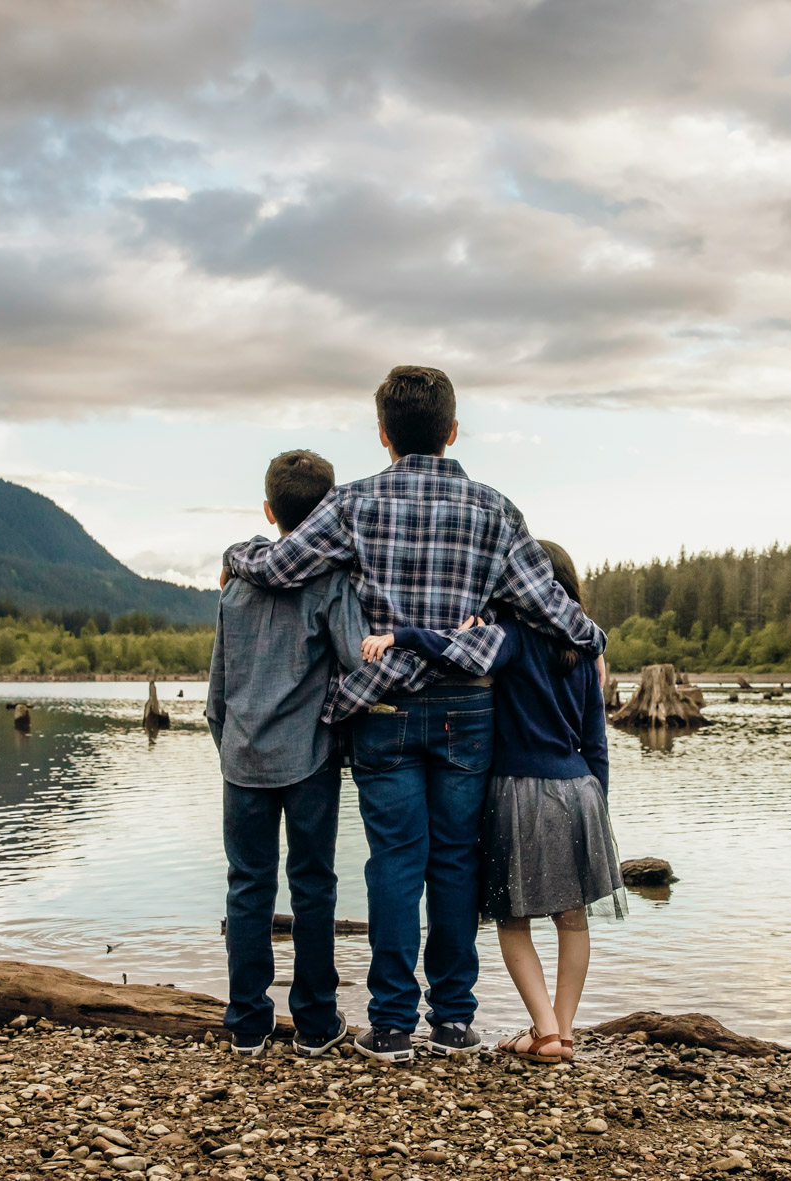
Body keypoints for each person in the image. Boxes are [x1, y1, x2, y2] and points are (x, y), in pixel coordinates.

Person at [223, 366, 605, 1062]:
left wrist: (236, 551)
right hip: (468, 710)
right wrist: (592, 636)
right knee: (455, 861)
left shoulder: (354, 504)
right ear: (453, 431)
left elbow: (278, 568)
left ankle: (393, 1023)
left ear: (383, 435)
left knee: (394, 862)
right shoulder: (495, 509)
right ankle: (454, 1020)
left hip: (382, 705)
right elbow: (548, 604)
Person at [361, 540, 622, 1063]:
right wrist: (599, 807)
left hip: (520, 791)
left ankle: (544, 1032)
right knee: (574, 921)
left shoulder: (512, 639)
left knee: (512, 920)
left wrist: (399, 635)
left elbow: (453, 653)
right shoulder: (586, 649)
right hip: (581, 790)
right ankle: (564, 1033)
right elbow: (596, 741)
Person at [206, 449, 366, 1058]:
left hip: (242, 759)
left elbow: (218, 689)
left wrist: (230, 746)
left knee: (247, 888)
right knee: (313, 885)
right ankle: (317, 1024)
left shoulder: (235, 587)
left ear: (268, 511)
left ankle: (248, 1025)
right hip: (310, 760)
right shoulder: (329, 583)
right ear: (327, 511)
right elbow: (355, 658)